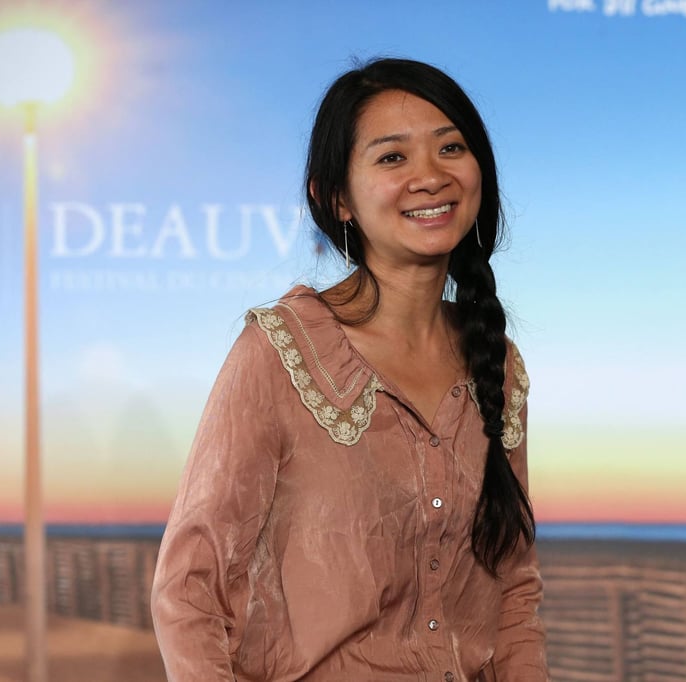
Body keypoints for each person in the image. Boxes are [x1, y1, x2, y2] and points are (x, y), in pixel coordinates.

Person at [151, 58, 549, 682]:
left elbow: (515, 591)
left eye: (451, 147)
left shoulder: (496, 361)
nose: (430, 177)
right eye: (392, 158)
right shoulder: (279, 352)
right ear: (335, 196)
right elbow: (188, 592)